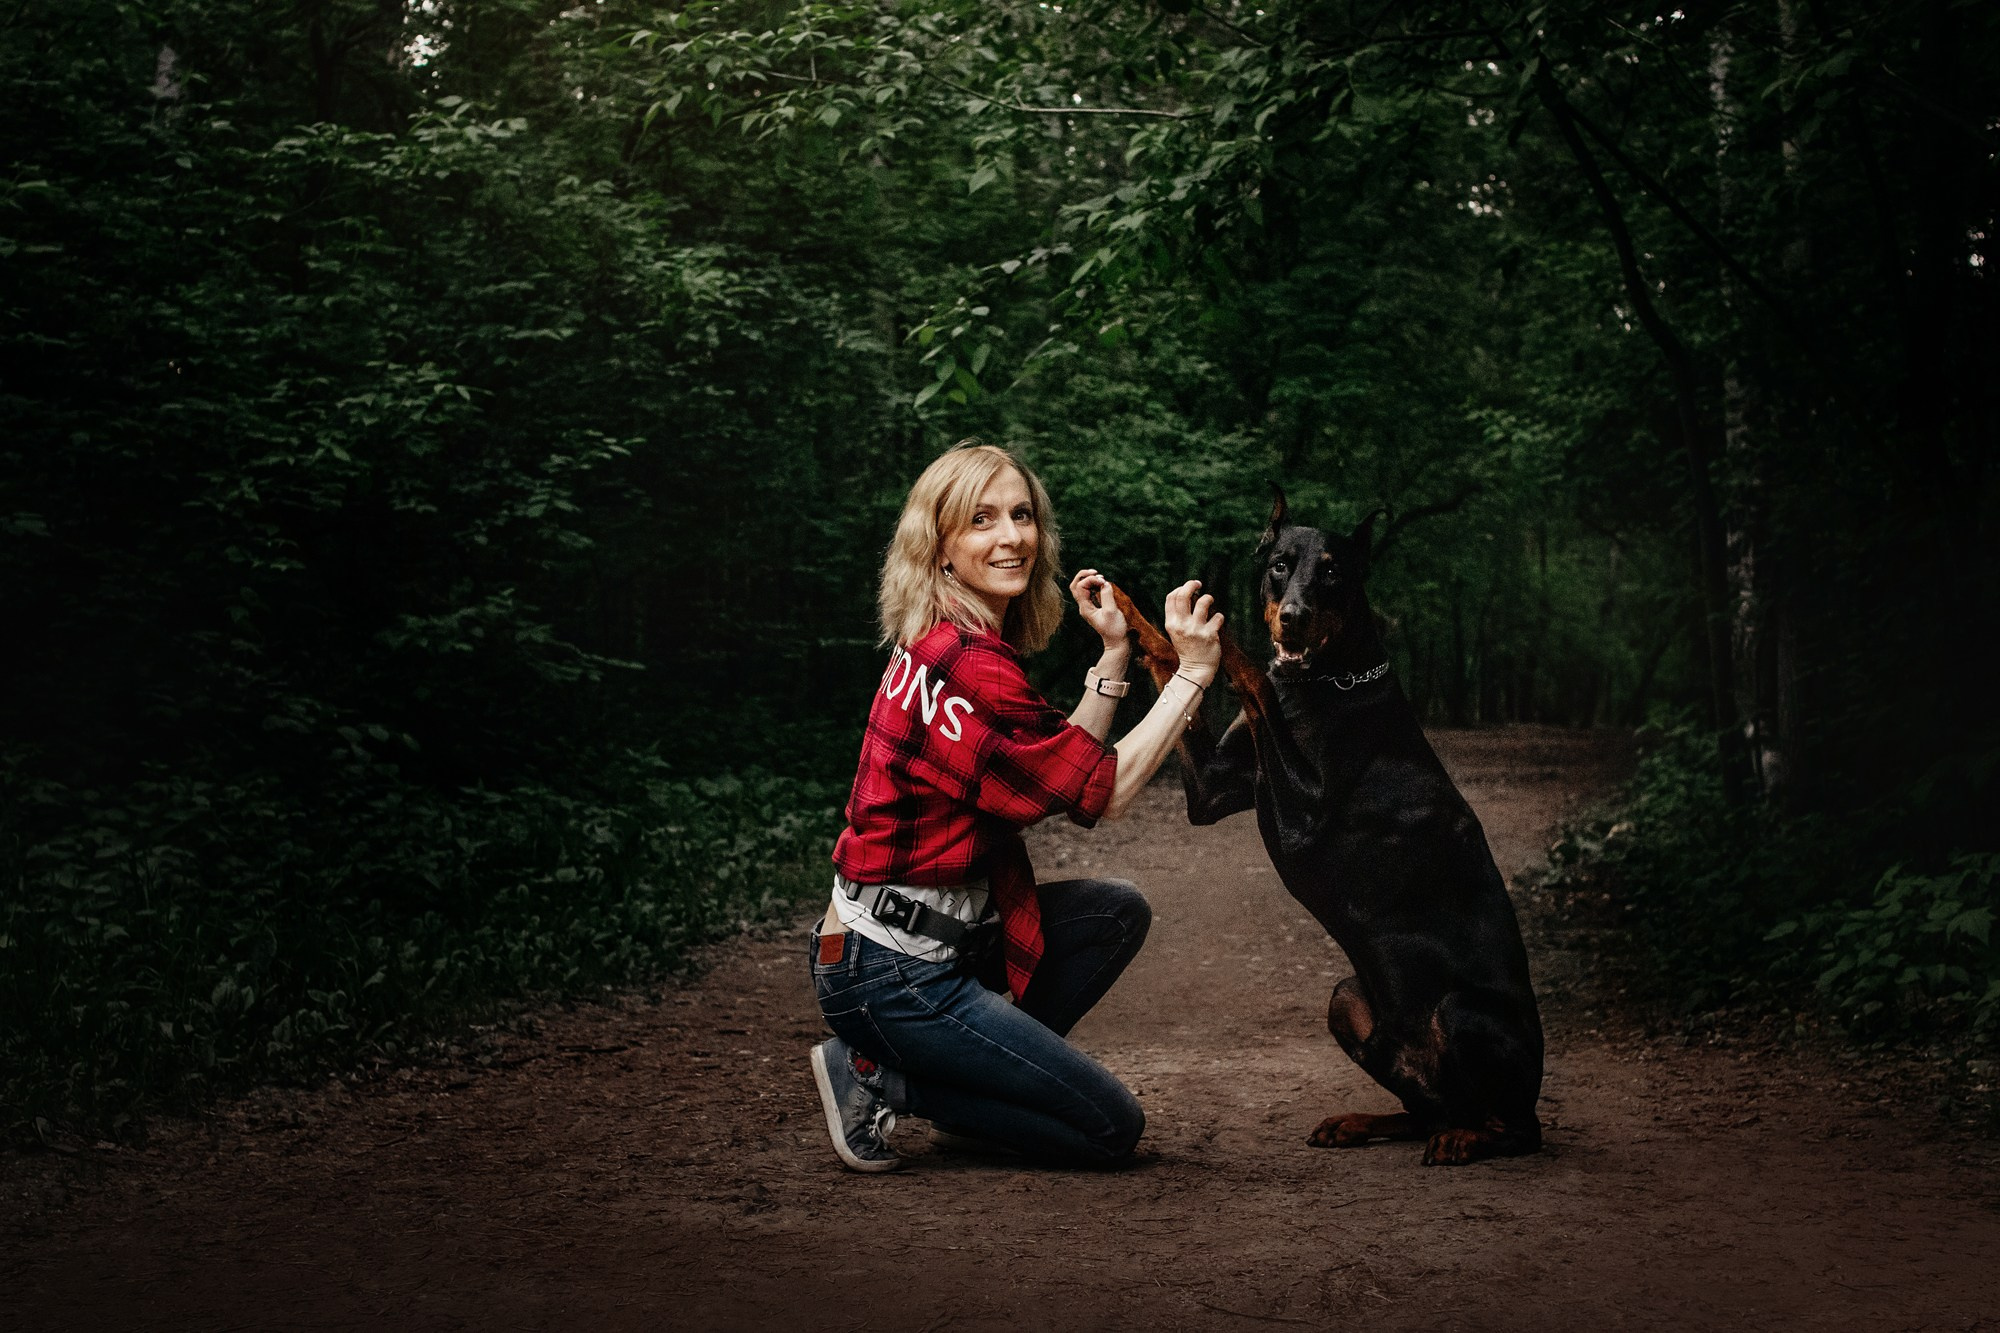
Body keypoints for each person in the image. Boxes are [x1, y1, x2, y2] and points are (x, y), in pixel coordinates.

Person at [809, 440, 1223, 1171]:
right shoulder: (971, 664)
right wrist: (1189, 674)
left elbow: (1054, 780)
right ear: (940, 545)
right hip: (893, 972)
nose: (1012, 537)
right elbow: (1106, 790)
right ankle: (881, 1076)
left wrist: (1116, 656)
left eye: (1022, 515)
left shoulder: (945, 641)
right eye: (981, 519)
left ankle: (983, 1095)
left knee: (1114, 911)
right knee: (1108, 1127)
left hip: (880, 947)